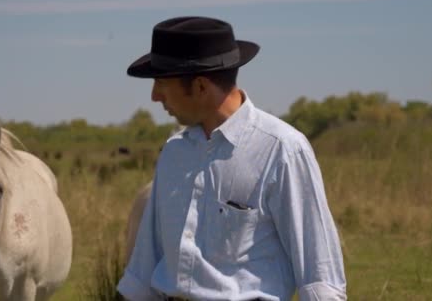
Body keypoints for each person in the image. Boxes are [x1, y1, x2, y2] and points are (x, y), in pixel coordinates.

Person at [117, 16, 347, 300]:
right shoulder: (173, 153)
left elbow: (320, 277)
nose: (154, 96)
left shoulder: (282, 149)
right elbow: (144, 271)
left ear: (200, 87)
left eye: (162, 83)